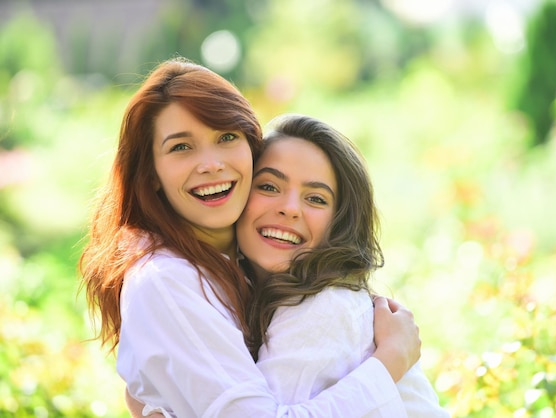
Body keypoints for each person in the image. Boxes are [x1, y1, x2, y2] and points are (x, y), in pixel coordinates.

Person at [80, 57, 421, 417]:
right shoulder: (167, 279)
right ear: (150, 174)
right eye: (181, 146)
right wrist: (389, 363)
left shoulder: (291, 293)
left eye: (226, 137)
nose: (211, 164)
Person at [127, 115, 449, 417]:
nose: (290, 209)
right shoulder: (243, 291)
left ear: (340, 224)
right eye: (268, 187)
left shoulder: (323, 308)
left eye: (316, 199)